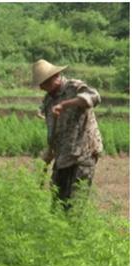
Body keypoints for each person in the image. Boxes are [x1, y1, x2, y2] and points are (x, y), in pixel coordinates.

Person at [33, 59, 103, 207]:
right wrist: (50, 151)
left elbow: (95, 97)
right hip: (62, 157)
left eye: (44, 83)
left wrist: (65, 104)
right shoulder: (48, 100)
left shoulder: (74, 87)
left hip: (83, 155)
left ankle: (75, 230)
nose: (41, 88)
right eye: (40, 85)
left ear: (56, 76)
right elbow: (53, 129)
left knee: (74, 207)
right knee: (57, 205)